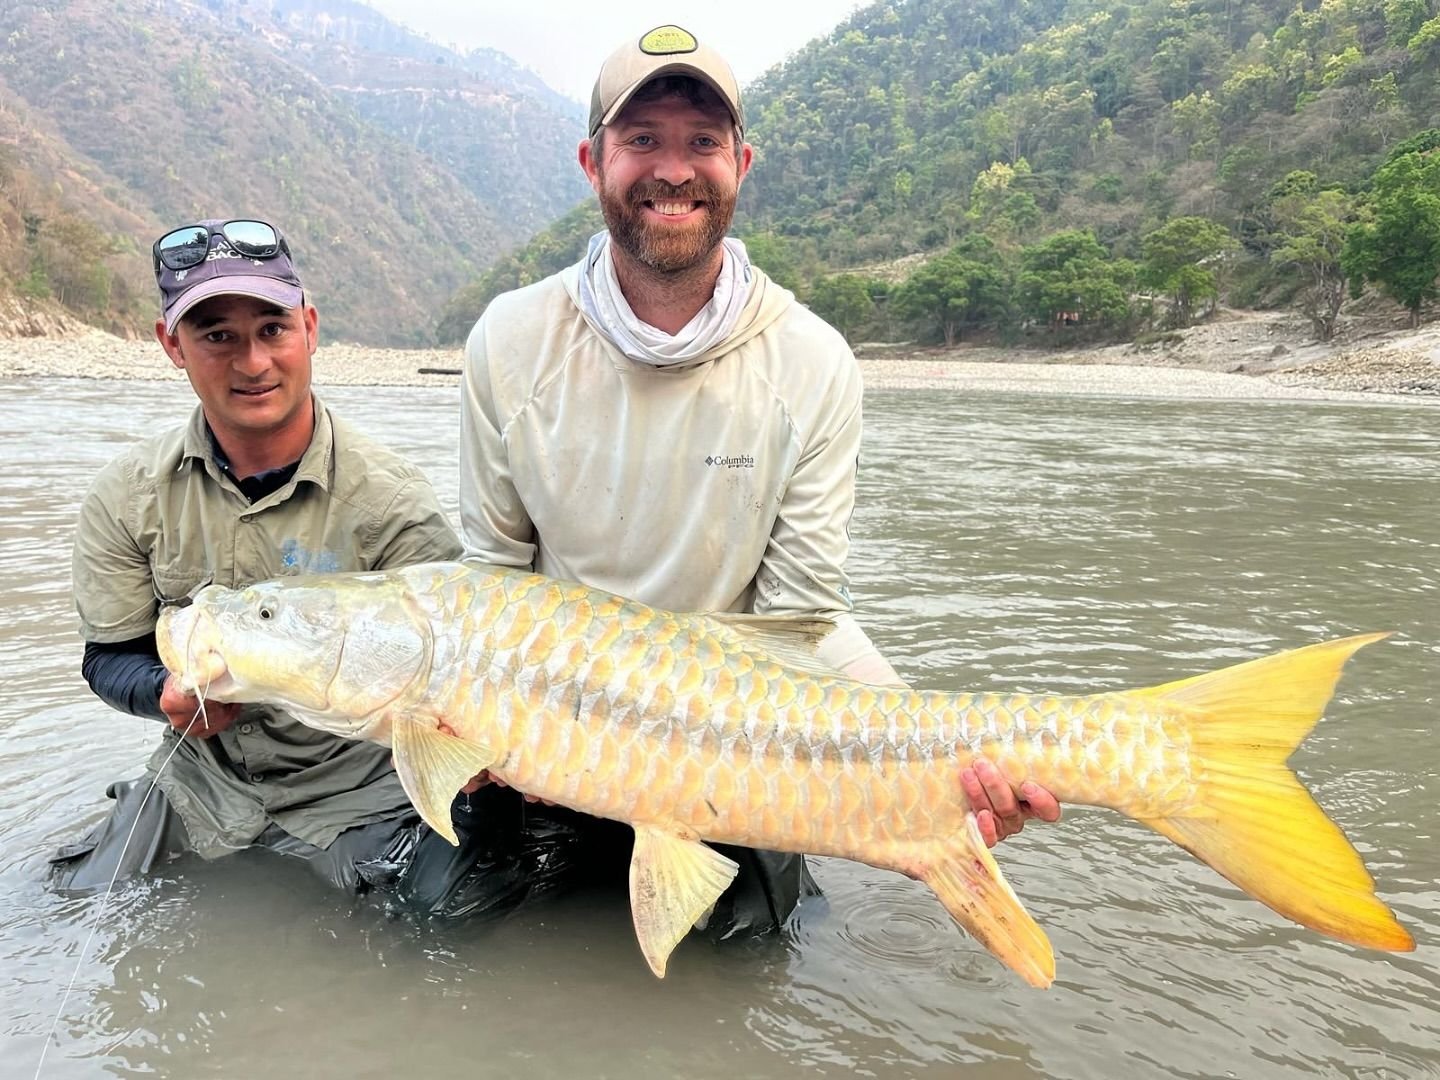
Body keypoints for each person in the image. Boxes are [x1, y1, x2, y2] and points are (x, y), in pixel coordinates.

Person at [457, 26, 1062, 941]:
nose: (673, 170)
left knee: (751, 965)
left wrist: (937, 759)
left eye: (701, 142)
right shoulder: (508, 340)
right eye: (642, 140)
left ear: (740, 164)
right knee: (451, 939)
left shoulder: (813, 361)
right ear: (593, 162)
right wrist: (474, 723)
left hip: (738, 743)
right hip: (556, 733)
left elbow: (801, 619)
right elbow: (492, 582)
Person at [52, 218, 474, 901]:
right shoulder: (127, 497)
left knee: (438, 918)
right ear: (172, 344)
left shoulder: (392, 502)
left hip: (358, 791)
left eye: (272, 329)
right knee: (70, 898)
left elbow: (455, 672)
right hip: (201, 780)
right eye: (217, 336)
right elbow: (108, 656)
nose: (252, 364)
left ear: (310, 329)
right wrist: (162, 694)